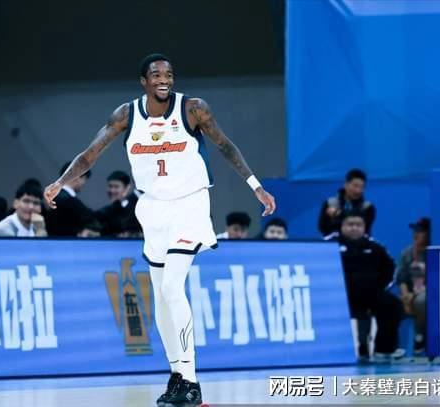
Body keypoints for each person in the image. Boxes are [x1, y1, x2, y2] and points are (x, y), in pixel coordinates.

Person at [44, 53, 276, 407]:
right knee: (161, 297)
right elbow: (91, 154)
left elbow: (225, 146)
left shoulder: (193, 109)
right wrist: (60, 182)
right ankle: (177, 376)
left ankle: (192, 381)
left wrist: (256, 186)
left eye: (169, 74)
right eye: (156, 75)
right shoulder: (126, 115)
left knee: (172, 286)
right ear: (144, 81)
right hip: (152, 209)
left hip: (190, 204)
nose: (164, 79)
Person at [328, 211, 403, 361]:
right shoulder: (329, 244)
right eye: (350, 224)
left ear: (364, 227)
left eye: (358, 225)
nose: (354, 228)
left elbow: (390, 269)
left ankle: (384, 350)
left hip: (369, 295)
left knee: (392, 304)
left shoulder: (375, 247)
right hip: (338, 295)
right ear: (342, 226)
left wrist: (378, 287)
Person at [395, 217, 430, 353]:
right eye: (415, 231)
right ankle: (393, 348)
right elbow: (401, 277)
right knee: (390, 304)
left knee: (422, 301)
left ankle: (419, 337)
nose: (416, 234)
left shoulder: (435, 251)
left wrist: (414, 295)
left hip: (428, 294)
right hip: (409, 295)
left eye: (420, 231)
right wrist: (405, 296)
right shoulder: (407, 253)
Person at [318, 168, 376, 237]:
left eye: (362, 187)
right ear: (346, 184)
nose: (358, 191)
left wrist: (338, 214)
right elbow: (323, 228)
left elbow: (363, 228)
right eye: (355, 186)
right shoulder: (330, 203)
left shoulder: (368, 207)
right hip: (335, 242)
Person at [45, 162, 93, 236]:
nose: (84, 183)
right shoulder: (70, 201)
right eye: (84, 179)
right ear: (77, 176)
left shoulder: (52, 198)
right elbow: (91, 219)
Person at [96, 170, 142, 237]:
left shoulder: (138, 208)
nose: (112, 190)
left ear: (127, 188)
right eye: (110, 186)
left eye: (116, 187)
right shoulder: (106, 211)